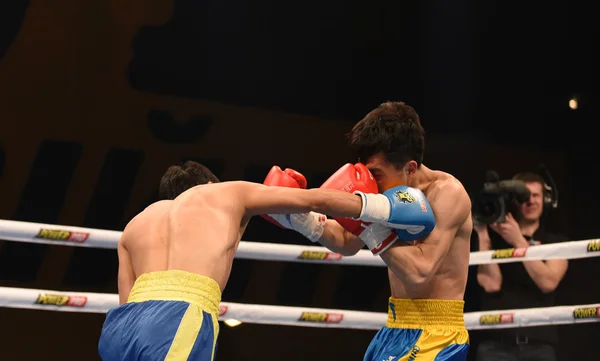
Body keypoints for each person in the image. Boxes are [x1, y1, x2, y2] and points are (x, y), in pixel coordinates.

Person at [96, 160, 435, 361]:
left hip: (120, 328)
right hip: (176, 319)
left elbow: (126, 304)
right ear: (212, 183)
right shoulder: (225, 192)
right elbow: (312, 199)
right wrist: (382, 208)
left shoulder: (135, 225)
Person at [265, 101, 473, 361]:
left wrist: (369, 226)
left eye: (377, 173)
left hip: (436, 335)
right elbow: (346, 240)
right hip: (394, 328)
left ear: (409, 168)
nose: (371, 182)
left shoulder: (447, 193)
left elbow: (419, 272)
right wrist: (302, 220)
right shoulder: (386, 193)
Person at [475, 171, 569, 361]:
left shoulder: (556, 242)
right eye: (523, 196)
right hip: (495, 346)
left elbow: (548, 282)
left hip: (539, 347)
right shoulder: (496, 240)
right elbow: (490, 284)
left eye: (535, 195)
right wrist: (483, 234)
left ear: (546, 200)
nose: (530, 201)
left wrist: (518, 240)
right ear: (514, 201)